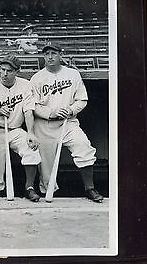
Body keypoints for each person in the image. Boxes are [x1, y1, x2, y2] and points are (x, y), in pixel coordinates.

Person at [29, 42, 104, 203]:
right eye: (47, 54)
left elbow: (82, 99)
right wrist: (50, 113)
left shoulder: (73, 74)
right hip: (44, 125)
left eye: (53, 53)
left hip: (68, 122)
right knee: (46, 167)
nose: (50, 57)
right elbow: (33, 105)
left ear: (60, 55)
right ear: (43, 56)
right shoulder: (37, 78)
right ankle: (47, 193)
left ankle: (89, 188)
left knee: (83, 146)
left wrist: (70, 110)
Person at [0, 54, 42, 201]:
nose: (4, 74)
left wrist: (30, 132)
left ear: (17, 71)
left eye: (9, 71)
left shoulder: (25, 85)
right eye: (2, 69)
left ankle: (29, 188)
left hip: (15, 129)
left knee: (31, 149)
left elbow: (28, 111)